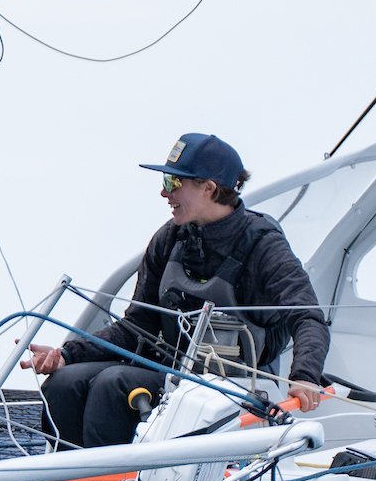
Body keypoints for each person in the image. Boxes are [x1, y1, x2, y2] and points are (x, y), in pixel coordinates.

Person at [23, 133, 329, 448]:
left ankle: (113, 478)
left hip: (233, 384)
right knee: (64, 383)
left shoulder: (264, 246)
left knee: (112, 385)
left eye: (173, 182)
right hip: (170, 370)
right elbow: (137, 325)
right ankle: (67, 477)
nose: (163, 192)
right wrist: (67, 355)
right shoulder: (168, 239)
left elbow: (308, 317)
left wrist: (305, 376)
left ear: (209, 188)